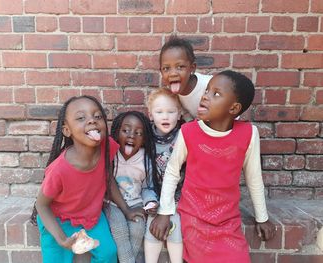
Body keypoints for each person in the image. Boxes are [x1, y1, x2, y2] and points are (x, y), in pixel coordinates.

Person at [150, 70, 276, 263]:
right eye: (207, 90)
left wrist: (262, 217)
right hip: (193, 216)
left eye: (215, 94)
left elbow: (254, 177)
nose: (206, 96)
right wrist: (165, 212)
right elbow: (172, 171)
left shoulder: (249, 134)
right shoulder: (189, 132)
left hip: (228, 220)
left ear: (233, 108)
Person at [33, 95, 142, 263]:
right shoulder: (60, 169)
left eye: (97, 116)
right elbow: (41, 204)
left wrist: (126, 210)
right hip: (59, 220)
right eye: (81, 118)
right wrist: (62, 239)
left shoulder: (107, 146)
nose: (92, 121)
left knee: (108, 254)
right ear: (67, 130)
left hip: (91, 217)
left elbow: (108, 179)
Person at [104, 111, 158, 263]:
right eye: (125, 130)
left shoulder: (145, 160)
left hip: (136, 203)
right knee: (119, 229)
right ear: (116, 133)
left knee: (138, 228)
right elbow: (106, 181)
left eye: (138, 133)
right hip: (112, 204)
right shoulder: (111, 155)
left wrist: (150, 203)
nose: (131, 136)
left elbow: (148, 187)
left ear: (144, 138)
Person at [144, 87, 184, 263]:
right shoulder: (146, 138)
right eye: (159, 112)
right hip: (153, 192)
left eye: (171, 111)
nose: (165, 116)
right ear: (151, 115)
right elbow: (144, 179)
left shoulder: (184, 136)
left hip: (179, 195)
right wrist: (149, 200)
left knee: (175, 223)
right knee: (152, 222)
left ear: (179, 114)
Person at [159, 35, 213, 121]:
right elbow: (186, 115)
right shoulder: (173, 96)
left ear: (192, 67)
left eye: (180, 67)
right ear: (161, 71)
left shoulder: (209, 85)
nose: (173, 74)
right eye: (166, 68)